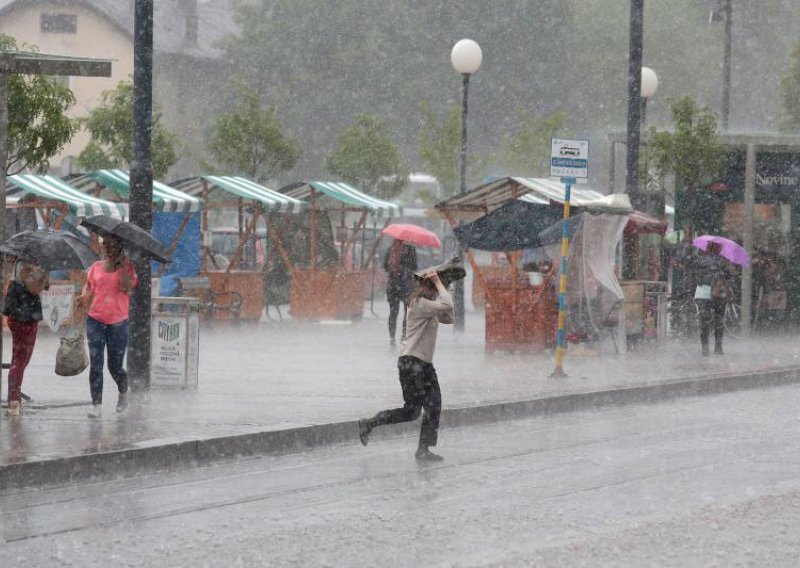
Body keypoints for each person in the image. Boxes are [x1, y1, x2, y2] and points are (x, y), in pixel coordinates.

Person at [358, 270, 453, 462]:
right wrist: (438, 282)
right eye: (436, 289)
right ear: (430, 288)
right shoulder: (419, 304)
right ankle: (369, 423)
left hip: (424, 364)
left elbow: (449, 317)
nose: (439, 292)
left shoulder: (430, 307)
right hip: (411, 363)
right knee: (412, 411)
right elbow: (448, 303)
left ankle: (423, 449)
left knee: (433, 406)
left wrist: (442, 286)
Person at [76, 235, 137, 418]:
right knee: (96, 364)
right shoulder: (95, 267)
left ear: (120, 248)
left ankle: (124, 391)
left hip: (118, 322)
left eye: (113, 246)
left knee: (115, 366)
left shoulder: (127, 267)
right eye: (106, 246)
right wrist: (83, 297)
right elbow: (88, 287)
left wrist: (122, 266)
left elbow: (128, 287)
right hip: (95, 320)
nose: (108, 249)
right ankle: (96, 405)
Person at [3, 259, 49, 416]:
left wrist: (43, 277)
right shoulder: (25, 263)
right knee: (19, 360)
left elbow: (41, 287)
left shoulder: (27, 262)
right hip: (23, 318)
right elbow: (34, 288)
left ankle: (15, 397)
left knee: (21, 360)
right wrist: (38, 276)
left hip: (25, 317)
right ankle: (13, 400)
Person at [694, 242, 731, 356]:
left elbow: (694, 275)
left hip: (702, 293)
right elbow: (729, 276)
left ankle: (705, 348)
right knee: (719, 320)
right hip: (718, 293)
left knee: (704, 321)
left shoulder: (699, 259)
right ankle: (718, 347)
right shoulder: (722, 261)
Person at [383, 240, 417, 346]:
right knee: (407, 313)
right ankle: (403, 336)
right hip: (405, 285)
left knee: (393, 313)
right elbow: (414, 267)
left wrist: (395, 269)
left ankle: (392, 338)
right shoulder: (411, 249)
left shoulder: (391, 249)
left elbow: (385, 266)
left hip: (393, 285)